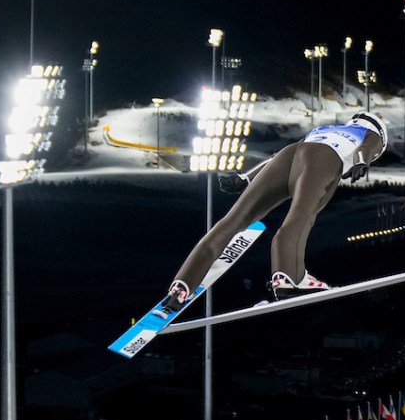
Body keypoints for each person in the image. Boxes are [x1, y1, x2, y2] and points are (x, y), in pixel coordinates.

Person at [158, 112, 388, 311]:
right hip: (324, 160)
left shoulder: (328, 128)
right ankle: (287, 278)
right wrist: (362, 162)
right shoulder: (372, 133)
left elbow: (275, 158)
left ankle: (182, 286)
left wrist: (244, 178)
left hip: (291, 154)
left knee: (232, 221)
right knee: (300, 218)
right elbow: (367, 148)